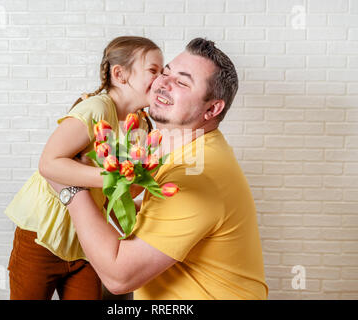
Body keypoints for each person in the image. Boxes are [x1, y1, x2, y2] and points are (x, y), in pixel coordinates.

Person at [47, 38, 269, 300]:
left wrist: (70, 188)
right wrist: (108, 191)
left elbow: (119, 277)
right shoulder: (189, 151)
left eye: (182, 82)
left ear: (212, 108)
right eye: (165, 72)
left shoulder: (196, 175)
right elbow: (160, 217)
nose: (162, 82)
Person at [4, 36, 164, 300]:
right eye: (153, 71)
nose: (160, 80)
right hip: (41, 233)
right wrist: (112, 177)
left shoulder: (143, 126)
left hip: (87, 242)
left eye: (162, 71)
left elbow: (124, 192)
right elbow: (49, 163)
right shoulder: (97, 109)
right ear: (120, 74)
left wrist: (150, 172)